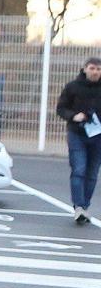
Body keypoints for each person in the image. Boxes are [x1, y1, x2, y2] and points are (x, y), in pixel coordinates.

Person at [58, 56, 101, 226]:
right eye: (92, 68)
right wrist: (73, 116)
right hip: (77, 134)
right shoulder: (72, 87)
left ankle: (84, 205)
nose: (95, 72)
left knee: (92, 173)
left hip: (98, 137)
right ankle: (78, 207)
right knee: (79, 169)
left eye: (98, 69)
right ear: (84, 69)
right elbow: (61, 108)